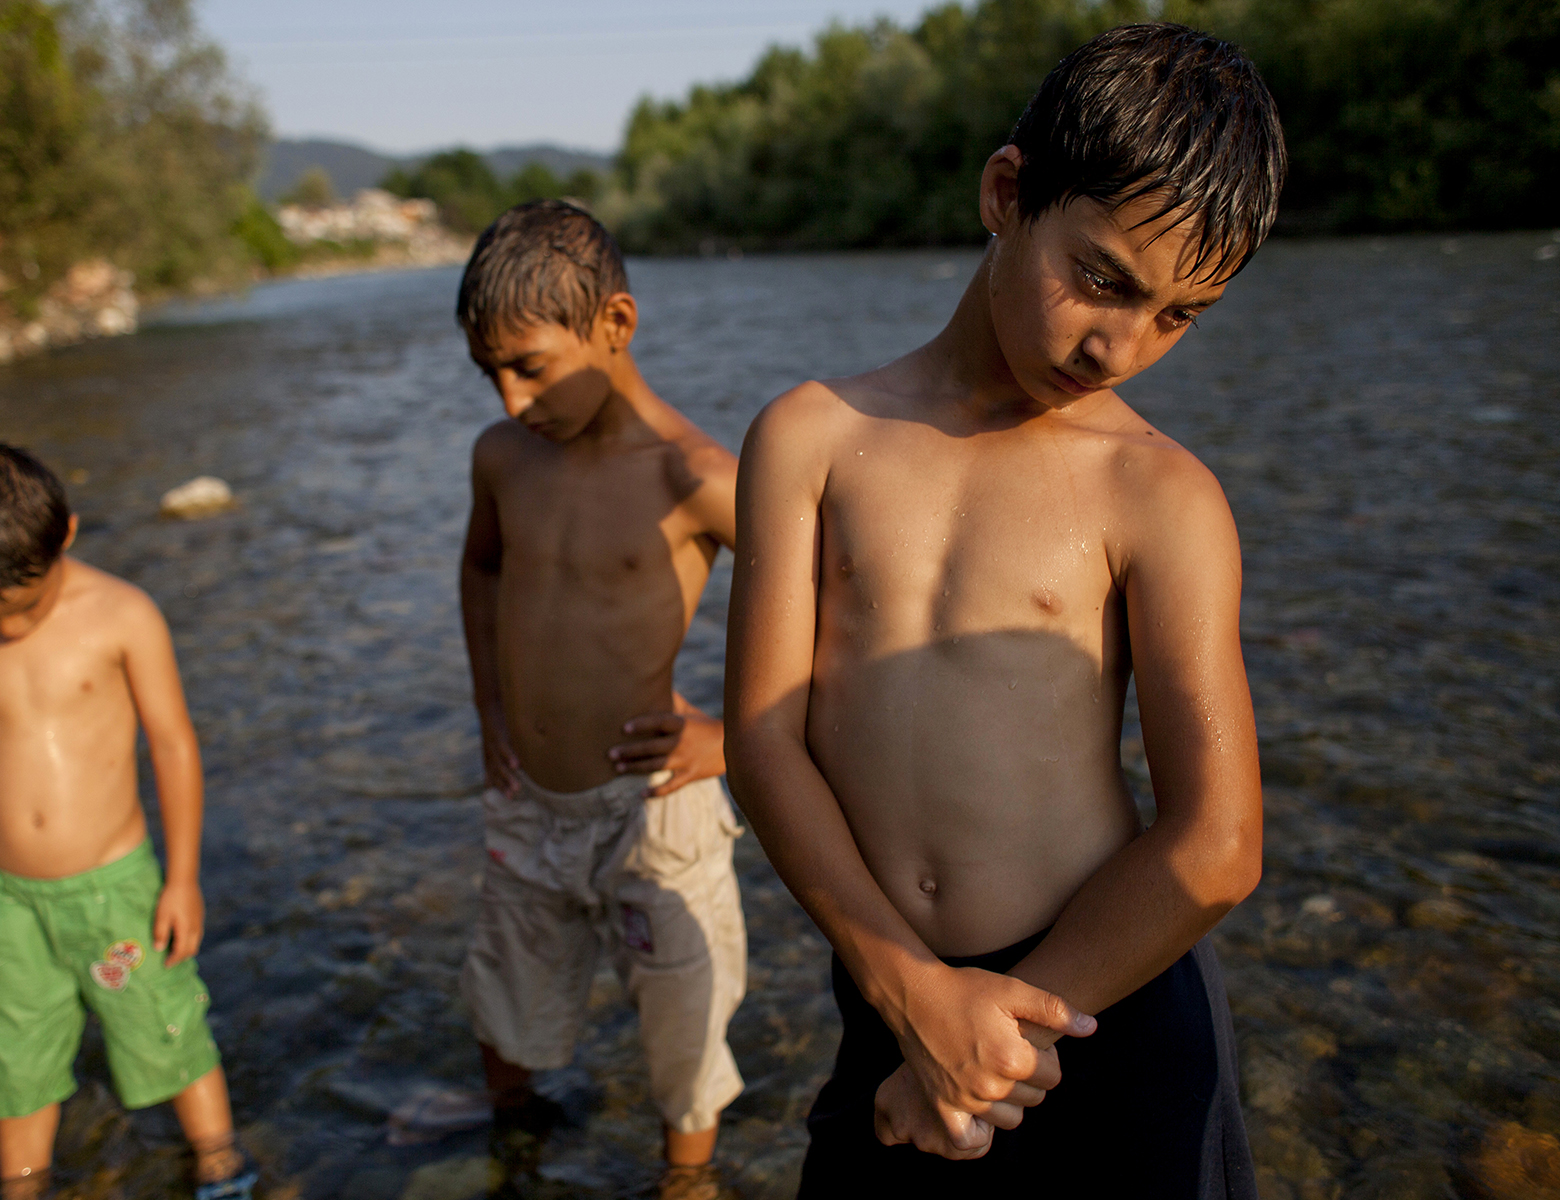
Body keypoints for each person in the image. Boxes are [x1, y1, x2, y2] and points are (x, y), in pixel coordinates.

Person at [724, 24, 1284, 1197]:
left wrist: (1000, 1038)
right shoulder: (811, 440)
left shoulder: (1158, 493)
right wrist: (912, 993)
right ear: (1006, 191)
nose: (1119, 345)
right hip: (896, 1003)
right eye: (1102, 278)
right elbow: (765, 740)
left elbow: (1218, 845)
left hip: (1099, 1010)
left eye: (1180, 316)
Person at [456, 200, 746, 1200]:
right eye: (488, 371)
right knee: (506, 1001)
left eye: (529, 366)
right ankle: (515, 1147)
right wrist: (492, 710)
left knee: (685, 1028)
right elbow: (483, 571)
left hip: (651, 809)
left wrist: (737, 734)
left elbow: (846, 612)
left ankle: (685, 1180)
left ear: (614, 327)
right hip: (528, 805)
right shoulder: (505, 459)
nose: (507, 397)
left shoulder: (694, 477)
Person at [0, 441, 255, 1200]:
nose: (11, 627)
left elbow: (172, 744)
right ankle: (23, 1186)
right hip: (1, 898)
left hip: (116, 887)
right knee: (10, 1052)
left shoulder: (123, 615)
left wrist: (182, 878)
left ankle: (219, 1162)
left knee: (167, 1026)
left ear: (63, 536)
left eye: (28, 603)